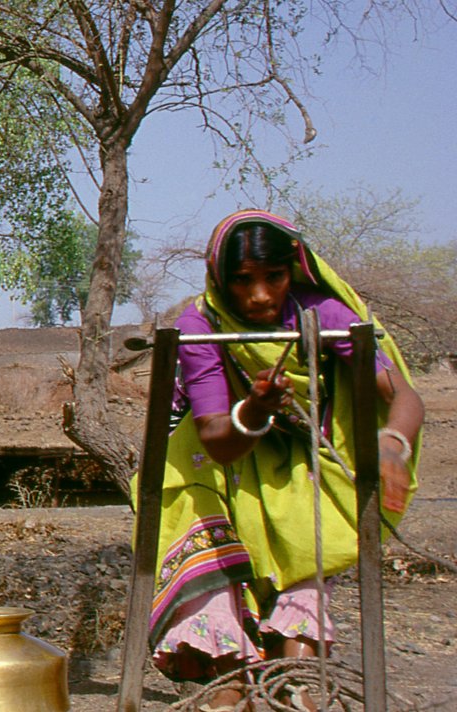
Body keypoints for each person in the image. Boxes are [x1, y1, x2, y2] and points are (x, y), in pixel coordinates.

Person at [149, 210, 423, 710]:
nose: (259, 296)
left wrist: (392, 445)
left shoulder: (324, 314)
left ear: (292, 270)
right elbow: (215, 436)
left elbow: (402, 395)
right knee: (217, 564)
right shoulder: (200, 325)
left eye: (272, 278)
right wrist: (254, 408)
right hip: (212, 466)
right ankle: (229, 684)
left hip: (297, 465)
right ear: (220, 278)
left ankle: (290, 682)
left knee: (306, 554)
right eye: (243, 281)